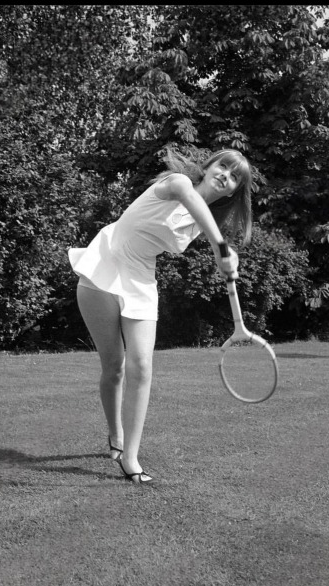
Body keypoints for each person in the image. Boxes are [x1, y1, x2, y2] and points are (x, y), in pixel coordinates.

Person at [68, 148, 254, 484]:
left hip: (140, 278)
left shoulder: (204, 222)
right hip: (105, 264)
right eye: (223, 166)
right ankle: (116, 435)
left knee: (142, 366)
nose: (226, 174)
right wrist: (221, 246)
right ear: (209, 166)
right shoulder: (178, 182)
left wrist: (230, 254)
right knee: (114, 367)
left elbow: (203, 222)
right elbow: (189, 199)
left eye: (234, 176)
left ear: (232, 191)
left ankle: (131, 458)